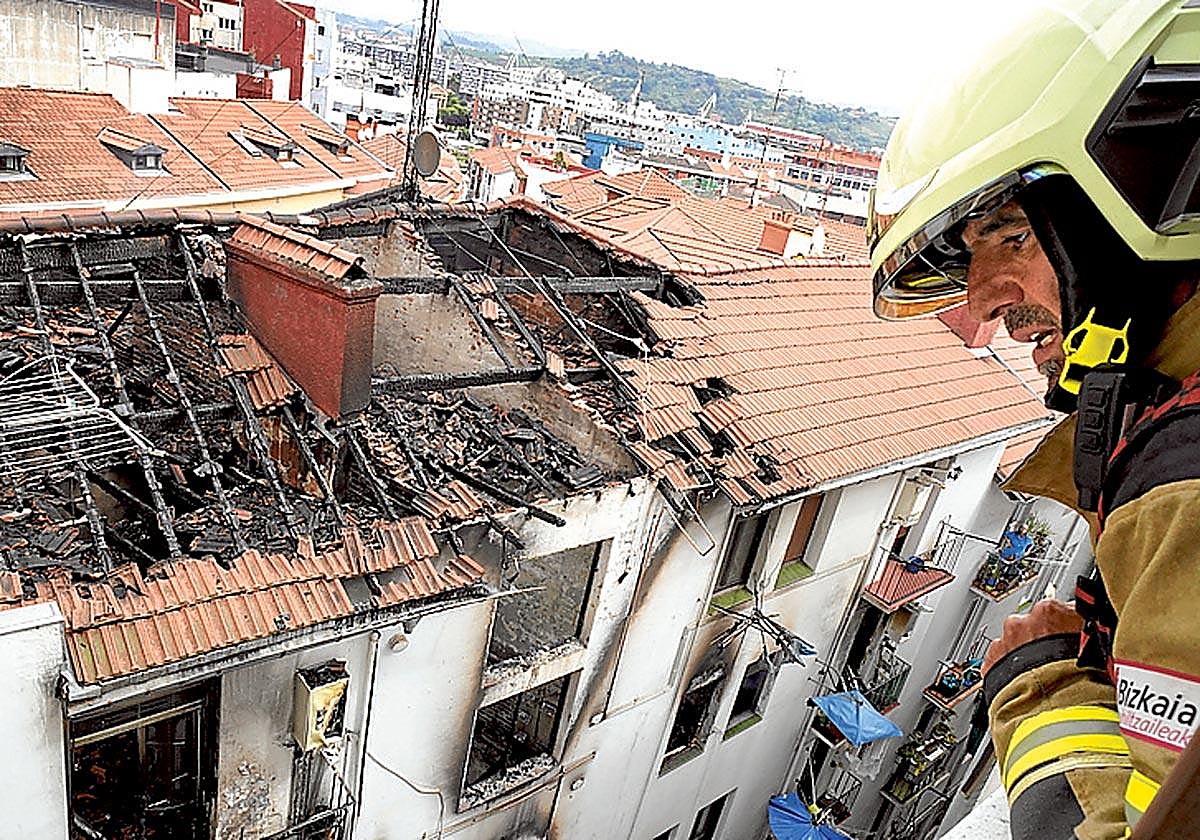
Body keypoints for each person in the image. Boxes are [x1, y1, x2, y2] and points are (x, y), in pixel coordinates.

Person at [867, 2, 1200, 837]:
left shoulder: (1184, 485)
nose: (982, 304)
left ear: (1146, 194)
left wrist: (1036, 684)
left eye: (1010, 236)